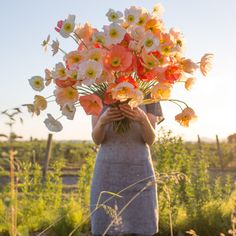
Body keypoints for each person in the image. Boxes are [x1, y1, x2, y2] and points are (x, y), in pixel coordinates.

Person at [89, 95, 164, 236]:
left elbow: (150, 139)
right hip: (107, 172)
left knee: (142, 228)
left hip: (139, 171)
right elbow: (97, 139)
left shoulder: (149, 92)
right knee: (105, 228)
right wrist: (103, 121)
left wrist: (143, 119)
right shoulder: (99, 91)